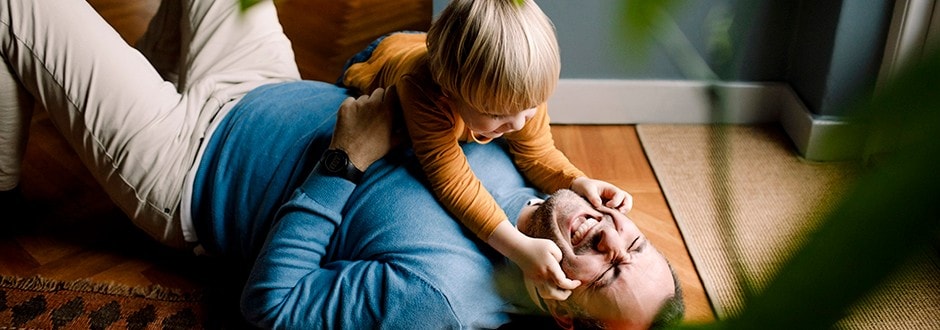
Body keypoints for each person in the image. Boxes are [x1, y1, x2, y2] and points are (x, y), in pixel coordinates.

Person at [0, 0, 683, 328]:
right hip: (262, 81)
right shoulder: (532, 165)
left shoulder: (439, 299)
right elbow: (433, 77)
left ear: (567, 310)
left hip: (189, 163)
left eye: (609, 269)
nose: (611, 235)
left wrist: (343, 163)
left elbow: (271, 309)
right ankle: (141, 75)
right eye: (636, 242)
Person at [340, 0, 632, 302]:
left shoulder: (520, 91)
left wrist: (577, 182)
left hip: (433, 49)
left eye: (529, 109)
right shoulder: (423, 91)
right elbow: (453, 182)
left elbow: (537, 154)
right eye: (495, 114)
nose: (517, 123)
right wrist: (518, 248)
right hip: (384, 57)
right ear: (448, 93)